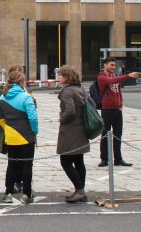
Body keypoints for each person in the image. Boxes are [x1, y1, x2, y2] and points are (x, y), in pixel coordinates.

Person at [0, 70, 38, 204]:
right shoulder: (26, 97)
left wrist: (7, 128)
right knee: (27, 166)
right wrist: (34, 131)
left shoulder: (3, 97)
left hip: (11, 135)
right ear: (21, 82)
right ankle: (26, 194)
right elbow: (33, 117)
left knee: (12, 165)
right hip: (26, 136)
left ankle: (8, 193)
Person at [97, 57, 141, 167]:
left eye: (114, 65)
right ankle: (104, 159)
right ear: (105, 65)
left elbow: (118, 90)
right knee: (105, 134)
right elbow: (111, 82)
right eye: (111, 65)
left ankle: (118, 158)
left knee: (118, 134)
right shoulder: (102, 76)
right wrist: (129, 76)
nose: (113, 67)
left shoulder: (114, 76)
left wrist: (121, 102)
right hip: (107, 109)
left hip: (117, 109)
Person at [56, 65, 90, 203]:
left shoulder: (67, 91)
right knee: (78, 161)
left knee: (65, 161)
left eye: (60, 75)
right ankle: (81, 190)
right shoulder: (80, 89)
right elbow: (92, 103)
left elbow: (70, 110)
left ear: (67, 78)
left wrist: (62, 118)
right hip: (81, 129)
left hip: (70, 131)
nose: (58, 78)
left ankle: (79, 190)